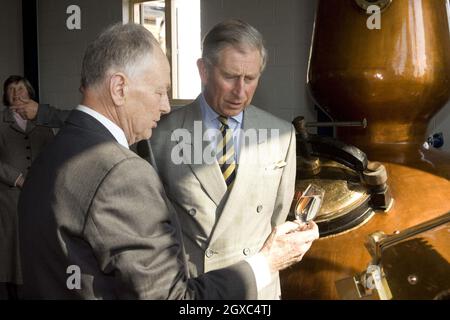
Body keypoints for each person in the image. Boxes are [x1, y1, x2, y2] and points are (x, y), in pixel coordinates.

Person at [18, 23, 318, 299]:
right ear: (119, 88)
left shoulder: (53, 154)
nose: (164, 106)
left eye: (250, 78)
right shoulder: (125, 170)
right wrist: (265, 262)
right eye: (160, 91)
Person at [145, 19, 299, 300]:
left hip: (258, 291)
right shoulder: (159, 136)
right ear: (203, 70)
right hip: (196, 290)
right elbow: (153, 230)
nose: (240, 92)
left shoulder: (282, 134)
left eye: (250, 79)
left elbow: (278, 215)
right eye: (229, 77)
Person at [0, 75, 55, 299]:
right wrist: (17, 178)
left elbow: (53, 155)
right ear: (5, 95)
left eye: (20, 88)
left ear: (29, 92)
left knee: (35, 248)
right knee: (9, 251)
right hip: (8, 199)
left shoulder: (41, 122)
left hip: (38, 197)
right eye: (11, 89)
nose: (16, 93)